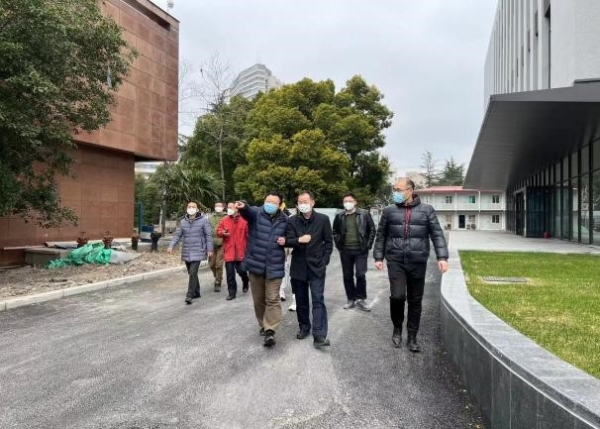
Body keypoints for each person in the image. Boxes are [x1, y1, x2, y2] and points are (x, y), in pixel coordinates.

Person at [373, 178, 449, 352]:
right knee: (398, 296)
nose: (395, 192)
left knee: (415, 300)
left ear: (410, 190)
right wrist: (378, 257)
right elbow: (381, 235)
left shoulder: (427, 210)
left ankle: (412, 336)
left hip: (418, 261)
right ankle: (397, 327)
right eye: (394, 189)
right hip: (396, 261)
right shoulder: (389, 211)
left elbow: (437, 234)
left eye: (399, 189)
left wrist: (442, 257)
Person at [236, 192, 288, 347]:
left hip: (275, 265)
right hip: (255, 265)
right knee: (258, 299)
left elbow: (291, 238)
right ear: (264, 201)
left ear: (280, 205)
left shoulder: (285, 220)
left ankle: (270, 330)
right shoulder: (256, 213)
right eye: (268, 201)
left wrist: (286, 240)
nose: (270, 204)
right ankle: (262, 324)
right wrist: (243, 206)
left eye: (274, 203)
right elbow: (247, 211)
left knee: (272, 299)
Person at [284, 191, 334, 349]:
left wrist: (324, 260)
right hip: (298, 266)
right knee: (301, 300)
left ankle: (319, 335)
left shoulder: (323, 219)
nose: (302, 204)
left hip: (317, 267)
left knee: (318, 299)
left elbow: (328, 242)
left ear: (312, 202)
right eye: (300, 202)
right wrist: (299, 240)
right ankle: (304, 327)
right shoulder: (292, 221)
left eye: (305, 201)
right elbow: (288, 240)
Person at [332, 193, 376, 311]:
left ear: (355, 202)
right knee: (347, 275)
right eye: (345, 201)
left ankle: (361, 299)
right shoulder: (339, 216)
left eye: (350, 201)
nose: (347, 203)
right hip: (345, 250)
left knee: (360, 274)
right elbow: (335, 231)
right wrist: (339, 245)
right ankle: (351, 299)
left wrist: (368, 245)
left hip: (361, 250)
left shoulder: (364, 214)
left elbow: (372, 230)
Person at [168, 202, 214, 305]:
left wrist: (209, 249)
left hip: (198, 250)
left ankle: (189, 295)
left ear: (197, 209)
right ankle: (197, 292)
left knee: (193, 273)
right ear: (186, 209)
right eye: (189, 207)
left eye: (193, 207)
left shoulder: (204, 220)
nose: (191, 208)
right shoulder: (183, 222)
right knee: (191, 273)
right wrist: (171, 246)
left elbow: (208, 235)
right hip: (187, 251)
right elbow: (177, 235)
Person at [217, 202, 249, 300]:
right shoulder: (225, 220)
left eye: (231, 207)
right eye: (228, 207)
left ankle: (245, 280)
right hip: (229, 250)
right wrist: (223, 233)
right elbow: (218, 231)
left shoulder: (244, 220)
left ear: (237, 209)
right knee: (230, 274)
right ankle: (232, 292)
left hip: (241, 251)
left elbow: (249, 235)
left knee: (241, 270)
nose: (229, 209)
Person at [209, 201, 227, 292]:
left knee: (219, 264)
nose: (218, 207)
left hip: (222, 243)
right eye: (216, 206)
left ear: (223, 207)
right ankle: (217, 276)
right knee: (211, 264)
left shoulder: (227, 217)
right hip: (211, 243)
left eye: (220, 206)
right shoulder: (210, 217)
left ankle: (217, 282)